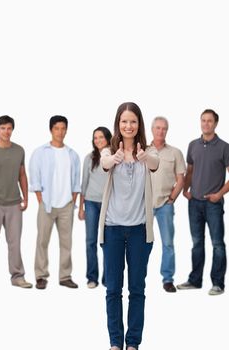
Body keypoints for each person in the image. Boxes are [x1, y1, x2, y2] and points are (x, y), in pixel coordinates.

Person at [99, 102, 159, 350]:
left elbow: (155, 163)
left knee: (137, 289)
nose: (128, 125)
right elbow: (104, 163)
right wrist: (114, 158)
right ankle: (115, 343)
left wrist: (144, 157)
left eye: (133, 121)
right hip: (112, 229)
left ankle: (132, 342)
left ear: (139, 124)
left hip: (138, 231)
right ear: (118, 123)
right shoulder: (109, 151)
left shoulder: (149, 150)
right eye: (124, 121)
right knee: (113, 289)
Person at [177, 109, 229, 295]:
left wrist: (219, 194)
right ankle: (195, 280)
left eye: (209, 121)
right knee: (197, 243)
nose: (206, 124)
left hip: (213, 204)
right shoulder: (193, 145)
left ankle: (218, 283)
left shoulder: (224, 147)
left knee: (217, 244)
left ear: (215, 123)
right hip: (195, 203)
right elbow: (190, 171)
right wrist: (185, 190)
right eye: (203, 120)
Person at [29, 115, 81, 289]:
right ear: (51, 129)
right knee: (42, 241)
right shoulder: (40, 152)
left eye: (63, 128)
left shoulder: (72, 155)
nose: (60, 132)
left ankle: (65, 276)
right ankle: (41, 275)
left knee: (67, 242)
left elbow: (75, 181)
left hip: (66, 205)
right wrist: (40, 199)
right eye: (57, 128)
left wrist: (73, 200)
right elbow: (34, 177)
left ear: (67, 130)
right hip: (47, 203)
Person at [0, 115, 32, 288]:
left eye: (9, 128)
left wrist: (26, 198)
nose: (6, 131)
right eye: (2, 128)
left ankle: (18, 276)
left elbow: (22, 175)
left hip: (14, 204)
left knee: (15, 242)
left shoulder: (19, 150)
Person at [150, 116, 186, 293]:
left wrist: (172, 198)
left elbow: (181, 178)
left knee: (168, 243)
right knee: (139, 243)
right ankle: (137, 276)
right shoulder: (143, 150)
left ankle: (168, 279)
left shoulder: (175, 153)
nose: (160, 131)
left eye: (164, 128)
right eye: (157, 128)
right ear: (152, 129)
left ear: (167, 130)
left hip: (165, 204)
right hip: (144, 205)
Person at [78, 126, 112, 289]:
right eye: (95, 138)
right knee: (90, 241)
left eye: (101, 137)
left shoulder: (114, 157)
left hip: (109, 204)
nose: (98, 140)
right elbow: (84, 183)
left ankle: (107, 278)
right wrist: (81, 207)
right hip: (91, 202)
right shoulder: (89, 158)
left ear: (108, 138)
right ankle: (92, 277)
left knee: (107, 241)